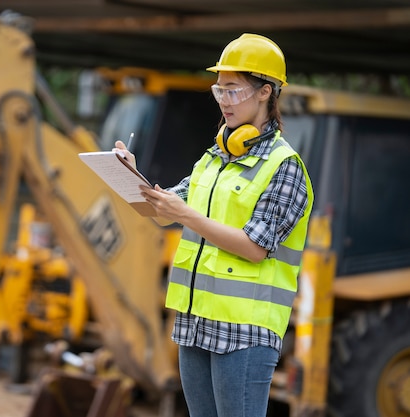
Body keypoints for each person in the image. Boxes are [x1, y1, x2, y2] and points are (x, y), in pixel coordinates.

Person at [114, 34, 314, 417]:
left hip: (244, 333)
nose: (222, 100)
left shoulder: (284, 166)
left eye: (232, 90)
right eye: (218, 90)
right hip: (194, 322)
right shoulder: (214, 157)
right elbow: (158, 209)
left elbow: (256, 246)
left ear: (264, 92)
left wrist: (185, 214)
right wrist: (129, 175)